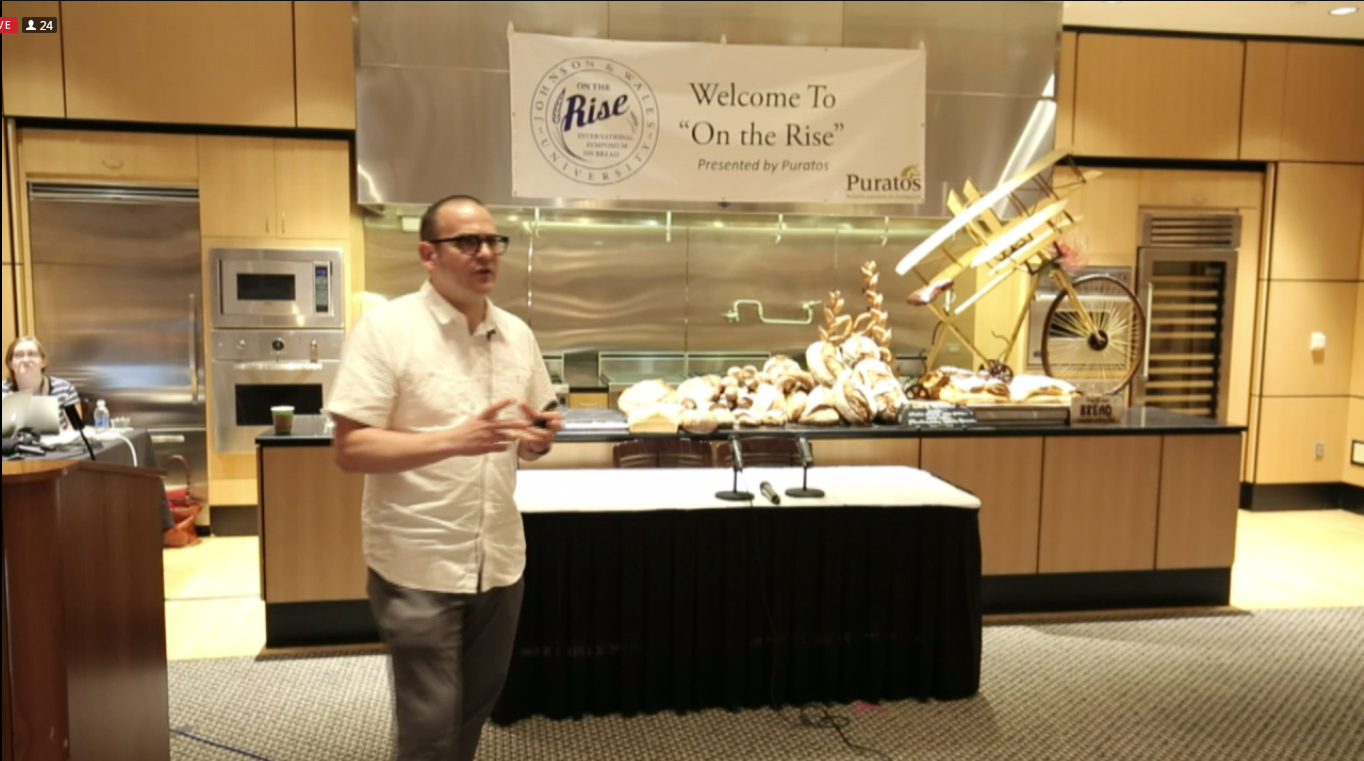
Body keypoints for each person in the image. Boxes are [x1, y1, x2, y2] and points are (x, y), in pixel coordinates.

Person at [326, 194, 564, 761]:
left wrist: (539, 440)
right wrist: (452, 440)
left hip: (500, 559)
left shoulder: (517, 335)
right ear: (428, 255)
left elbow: (530, 439)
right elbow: (350, 447)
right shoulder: (385, 332)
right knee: (430, 725)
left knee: (474, 711)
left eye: (492, 241)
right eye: (467, 242)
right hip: (417, 561)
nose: (485, 253)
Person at [3, 335, 81, 428]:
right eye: (19, 355)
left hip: (59, 442)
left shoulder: (65, 389)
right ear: (10, 363)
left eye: (32, 354)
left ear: (43, 361)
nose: (25, 360)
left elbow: (75, 430)